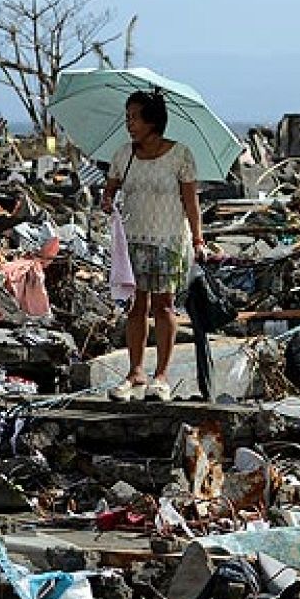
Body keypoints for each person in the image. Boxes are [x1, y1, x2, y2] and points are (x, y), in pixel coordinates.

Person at [100, 90, 203, 402]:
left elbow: (190, 200)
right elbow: (111, 189)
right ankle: (135, 371)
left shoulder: (180, 155)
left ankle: (161, 375)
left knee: (164, 306)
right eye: (127, 117)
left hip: (167, 241)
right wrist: (107, 200)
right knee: (135, 307)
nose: (129, 123)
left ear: (153, 120)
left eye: (135, 117)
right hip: (132, 242)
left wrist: (199, 239)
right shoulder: (123, 155)